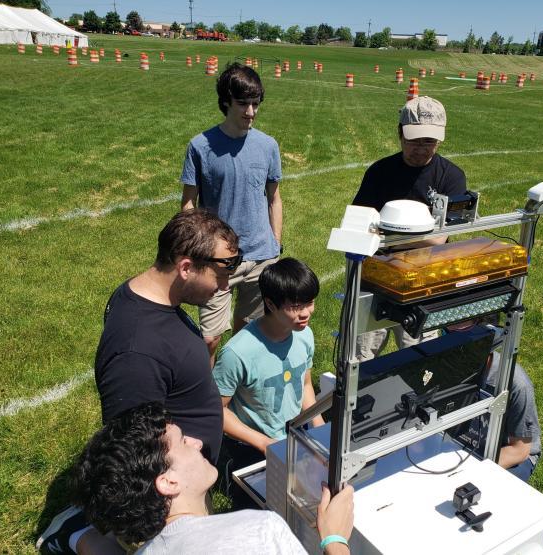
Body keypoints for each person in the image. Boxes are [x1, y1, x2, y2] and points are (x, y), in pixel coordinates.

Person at [38, 209, 241, 554]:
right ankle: (78, 531)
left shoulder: (152, 295)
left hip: (186, 477)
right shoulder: (137, 352)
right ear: (186, 267)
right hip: (169, 493)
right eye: (221, 273)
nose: (225, 286)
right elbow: (134, 449)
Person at [71, 402, 355, 554]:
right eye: (183, 442)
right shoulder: (258, 529)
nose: (196, 442)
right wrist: (334, 539)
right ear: (168, 482)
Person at [181, 62, 283, 365]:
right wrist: (197, 248)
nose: (250, 112)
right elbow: (189, 205)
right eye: (243, 104)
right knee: (210, 338)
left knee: (248, 334)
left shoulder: (268, 146)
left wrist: (275, 243)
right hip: (217, 259)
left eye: (255, 104)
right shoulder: (200, 146)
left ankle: (234, 394)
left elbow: (274, 198)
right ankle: (202, 402)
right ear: (226, 101)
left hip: (261, 257)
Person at [352, 96, 468, 361]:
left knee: (421, 359)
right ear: (400, 133)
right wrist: (415, 239)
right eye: (414, 140)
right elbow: (360, 224)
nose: (421, 148)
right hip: (378, 279)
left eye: (429, 141)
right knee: (361, 356)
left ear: (440, 139)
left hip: (426, 281)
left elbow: (439, 240)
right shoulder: (380, 172)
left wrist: (386, 238)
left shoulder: (451, 177)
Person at [212, 258, 324, 506]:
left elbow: (304, 384)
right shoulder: (237, 353)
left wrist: (319, 428)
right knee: (257, 509)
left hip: (295, 434)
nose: (306, 312)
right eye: (296, 306)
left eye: (310, 302)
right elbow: (216, 410)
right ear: (270, 304)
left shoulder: (304, 334)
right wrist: (263, 443)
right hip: (254, 446)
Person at [448, 321, 542, 482]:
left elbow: (520, 450)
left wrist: (472, 472)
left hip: (510, 454)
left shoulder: (517, 385)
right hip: (465, 444)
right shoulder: (450, 369)